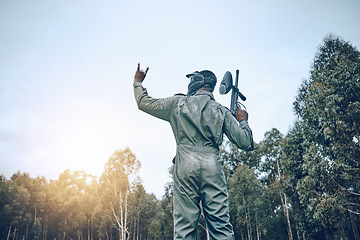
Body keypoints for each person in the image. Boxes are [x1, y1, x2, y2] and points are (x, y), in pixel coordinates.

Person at [133, 63, 253, 239]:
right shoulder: (221, 110)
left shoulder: (177, 103)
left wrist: (138, 83)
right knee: (220, 226)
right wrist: (243, 120)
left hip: (186, 165)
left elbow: (143, 103)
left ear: (197, 82)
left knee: (184, 227)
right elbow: (245, 142)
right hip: (213, 166)